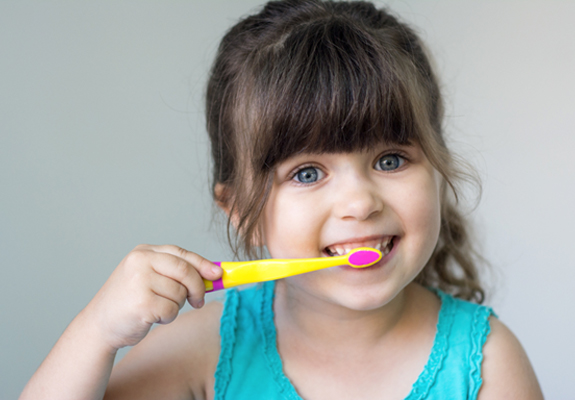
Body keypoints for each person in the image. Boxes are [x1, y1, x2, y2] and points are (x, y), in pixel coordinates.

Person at [20, 1, 544, 399]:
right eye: (308, 172)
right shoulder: (203, 350)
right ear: (239, 213)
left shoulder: (489, 363)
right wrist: (96, 333)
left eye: (390, 160)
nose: (359, 202)